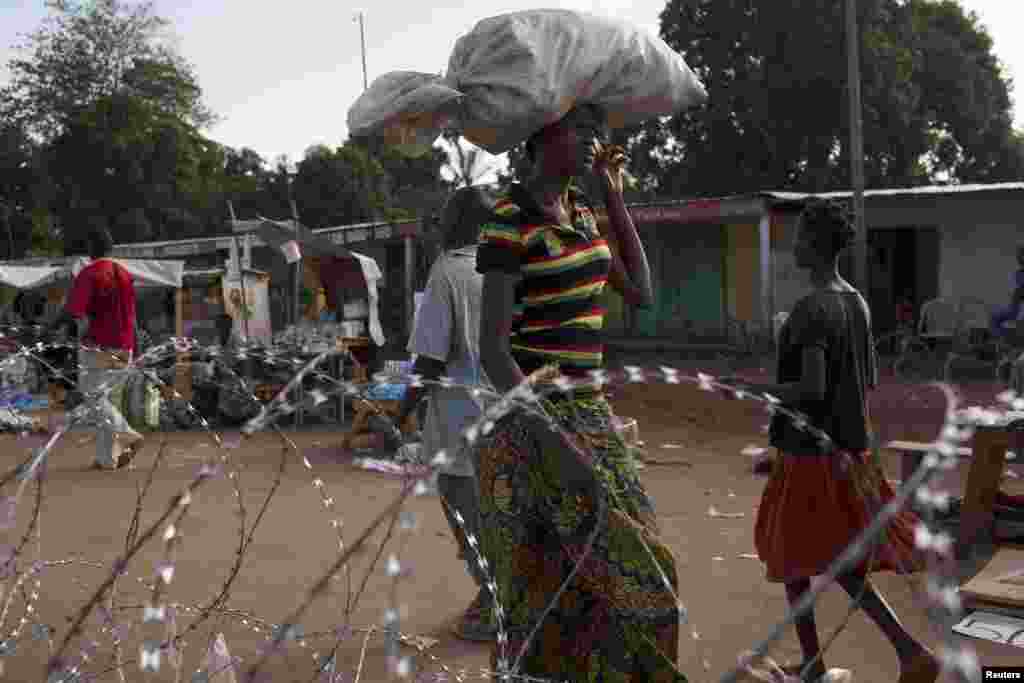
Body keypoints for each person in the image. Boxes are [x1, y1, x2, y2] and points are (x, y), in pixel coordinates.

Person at [474, 104, 685, 681]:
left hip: (590, 414)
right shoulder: (508, 222)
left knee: (640, 579)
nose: (594, 139)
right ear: (543, 136)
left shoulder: (585, 212)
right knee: (547, 599)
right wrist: (555, 441)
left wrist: (614, 197)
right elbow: (492, 351)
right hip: (535, 426)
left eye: (597, 130)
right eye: (581, 128)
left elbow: (641, 292)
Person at [721, 199, 937, 683]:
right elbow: (865, 381)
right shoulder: (857, 303)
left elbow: (812, 389)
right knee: (830, 563)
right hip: (850, 451)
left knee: (793, 560)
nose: (793, 244)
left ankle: (853, 658)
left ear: (815, 243)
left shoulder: (811, 309)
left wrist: (751, 388)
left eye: (799, 236)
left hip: (811, 455)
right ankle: (890, 655)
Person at [395, 185, 497, 641]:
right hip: (504, 417)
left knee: (467, 520)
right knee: (496, 516)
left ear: (456, 224)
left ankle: (494, 603)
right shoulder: (504, 270)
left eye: (444, 220)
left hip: (460, 424)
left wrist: (400, 412)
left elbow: (430, 362)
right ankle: (505, 597)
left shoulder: (448, 272)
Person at [48, 227, 142, 470]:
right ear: (111, 248)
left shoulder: (90, 273)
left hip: (98, 346)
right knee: (103, 400)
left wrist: (51, 326)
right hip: (125, 346)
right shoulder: (125, 274)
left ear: (91, 248)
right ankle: (106, 458)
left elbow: (73, 311)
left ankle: (129, 435)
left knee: (93, 397)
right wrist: (137, 349)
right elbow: (133, 316)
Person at [991, 245, 1024, 338]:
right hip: (1016, 315)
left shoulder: (1017, 277)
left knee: (995, 319)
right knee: (994, 319)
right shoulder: (1017, 275)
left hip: (1018, 317)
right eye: (1020, 256)